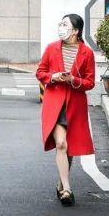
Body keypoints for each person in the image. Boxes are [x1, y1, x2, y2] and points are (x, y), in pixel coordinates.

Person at [35, 14, 96, 206]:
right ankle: (68, 189)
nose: (61, 27)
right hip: (55, 104)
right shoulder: (52, 48)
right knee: (61, 144)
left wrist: (73, 80)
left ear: (76, 31)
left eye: (65, 24)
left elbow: (90, 82)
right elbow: (40, 72)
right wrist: (54, 77)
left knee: (69, 148)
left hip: (75, 106)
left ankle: (61, 183)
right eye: (60, 23)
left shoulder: (87, 53)